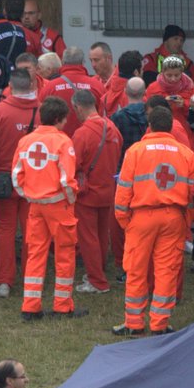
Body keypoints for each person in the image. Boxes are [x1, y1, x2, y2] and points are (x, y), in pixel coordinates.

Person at [113, 105, 194, 336]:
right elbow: (193, 195)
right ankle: (160, 323)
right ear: (171, 126)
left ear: (148, 125)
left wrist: (124, 220)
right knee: (167, 271)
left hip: (141, 218)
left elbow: (124, 189)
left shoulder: (136, 151)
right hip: (173, 218)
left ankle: (134, 322)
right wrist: (186, 220)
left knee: (136, 270)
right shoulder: (186, 153)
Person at [13, 96, 82, 321]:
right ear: (59, 119)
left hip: (35, 206)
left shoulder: (25, 141)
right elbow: (67, 179)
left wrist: (31, 195)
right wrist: (70, 199)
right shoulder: (63, 142)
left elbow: (16, 176)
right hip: (58, 205)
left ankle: (30, 307)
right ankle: (62, 306)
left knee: (35, 254)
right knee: (64, 255)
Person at [0, 68, 43, 297]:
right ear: (33, 85)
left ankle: (5, 281)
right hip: (35, 180)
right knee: (31, 231)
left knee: (4, 230)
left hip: (4, 179)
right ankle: (31, 279)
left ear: (10, 86)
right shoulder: (42, 111)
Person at [71, 88, 123, 295]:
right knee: (102, 235)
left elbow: (73, 163)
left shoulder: (82, 133)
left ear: (78, 107)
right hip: (108, 190)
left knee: (88, 238)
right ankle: (98, 271)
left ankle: (97, 281)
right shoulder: (113, 128)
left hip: (88, 193)